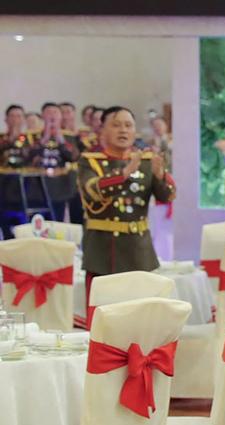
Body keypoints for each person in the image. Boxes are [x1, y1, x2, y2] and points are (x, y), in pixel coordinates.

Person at [76, 106, 175, 303]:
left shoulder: (145, 161)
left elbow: (167, 197)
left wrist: (161, 175)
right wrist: (124, 174)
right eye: (116, 125)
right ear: (102, 130)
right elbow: (93, 191)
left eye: (128, 125)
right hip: (103, 252)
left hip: (139, 250)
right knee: (103, 318)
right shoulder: (90, 161)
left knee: (140, 316)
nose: (123, 130)